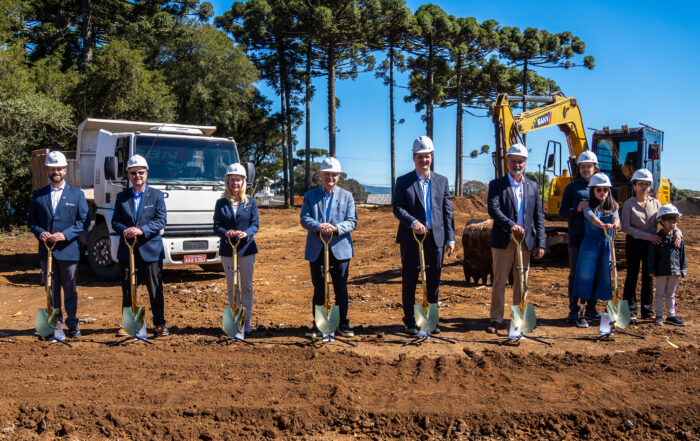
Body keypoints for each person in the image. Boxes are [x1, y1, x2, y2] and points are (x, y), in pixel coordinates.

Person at [392, 136, 455, 335]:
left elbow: (447, 212)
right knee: (410, 279)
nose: (424, 161)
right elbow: (398, 208)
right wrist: (413, 222)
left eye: (427, 157)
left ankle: (430, 318)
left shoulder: (442, 181)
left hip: (435, 239)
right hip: (412, 239)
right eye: (420, 157)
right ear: (414, 158)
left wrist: (450, 238)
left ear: (431, 157)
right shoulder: (403, 182)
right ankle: (410, 321)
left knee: (434, 280)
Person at [27, 151, 90, 338]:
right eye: (52, 168)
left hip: (68, 250)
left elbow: (84, 221)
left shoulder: (77, 195)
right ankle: (55, 323)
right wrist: (41, 233)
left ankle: (72, 323)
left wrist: (65, 235)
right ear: (47, 170)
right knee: (50, 287)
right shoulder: (38, 195)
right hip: (47, 251)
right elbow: (32, 222)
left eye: (59, 168)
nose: (56, 171)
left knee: (70, 288)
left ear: (65, 170)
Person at [485, 143, 545, 334]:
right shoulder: (497, 185)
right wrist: (511, 225)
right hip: (503, 241)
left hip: (525, 243)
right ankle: (496, 318)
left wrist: (540, 242)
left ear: (525, 163)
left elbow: (538, 217)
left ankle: (518, 316)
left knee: (522, 282)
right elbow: (493, 209)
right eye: (513, 161)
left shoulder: (533, 187)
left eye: (520, 162)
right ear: (508, 162)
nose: (517, 165)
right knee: (499, 281)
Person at [111, 155, 169, 337]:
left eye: (141, 172)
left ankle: (160, 324)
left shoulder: (157, 196)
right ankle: (129, 324)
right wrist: (125, 230)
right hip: (128, 250)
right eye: (133, 173)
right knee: (128, 288)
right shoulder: (121, 197)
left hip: (150, 249)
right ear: (128, 175)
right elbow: (115, 221)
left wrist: (141, 230)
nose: (137, 176)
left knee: (155, 289)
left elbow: (161, 220)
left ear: (146, 173)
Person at [300, 157, 358, 337]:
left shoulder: (347, 196)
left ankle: (342, 324)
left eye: (334, 175)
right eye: (327, 174)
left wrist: (336, 228)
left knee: (341, 287)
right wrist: (319, 226)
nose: (330, 178)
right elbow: (305, 218)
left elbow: (352, 221)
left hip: (340, 249)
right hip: (317, 249)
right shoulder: (310, 195)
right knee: (319, 288)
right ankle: (319, 324)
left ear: (339, 176)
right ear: (321, 175)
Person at [621, 168, 681, 323]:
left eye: (646, 184)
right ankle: (630, 312)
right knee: (632, 276)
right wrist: (648, 236)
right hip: (635, 243)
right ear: (634, 185)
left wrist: (678, 233)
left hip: (652, 246)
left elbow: (668, 221)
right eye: (640, 184)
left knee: (649, 277)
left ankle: (647, 311)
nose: (643, 187)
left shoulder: (657, 204)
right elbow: (626, 227)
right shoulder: (629, 204)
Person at [213, 163, 259, 335]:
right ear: (227, 181)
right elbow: (216, 226)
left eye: (238, 180)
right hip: (227, 249)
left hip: (246, 249)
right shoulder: (221, 203)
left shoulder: (251, 202)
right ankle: (235, 319)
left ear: (243, 182)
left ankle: (246, 321)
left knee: (246, 286)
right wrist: (226, 233)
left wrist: (245, 233)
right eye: (232, 180)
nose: (235, 184)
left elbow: (255, 225)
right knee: (232, 286)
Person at [572, 173, 620, 327]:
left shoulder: (613, 206)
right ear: (593, 190)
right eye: (599, 189)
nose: (602, 193)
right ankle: (582, 312)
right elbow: (592, 218)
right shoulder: (586, 205)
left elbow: (616, 219)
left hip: (606, 245)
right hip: (590, 246)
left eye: (605, 190)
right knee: (586, 277)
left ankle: (593, 309)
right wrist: (604, 226)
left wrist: (615, 224)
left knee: (604, 277)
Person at [559, 151, 600, 324]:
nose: (585, 169)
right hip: (577, 238)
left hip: (595, 238)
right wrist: (577, 209)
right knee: (575, 273)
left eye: (588, 166)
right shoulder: (572, 188)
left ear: (594, 168)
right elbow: (562, 213)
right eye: (582, 167)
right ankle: (573, 309)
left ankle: (591, 307)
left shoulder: (601, 187)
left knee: (595, 273)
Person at [648, 204, 686, 326]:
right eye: (669, 220)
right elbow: (652, 256)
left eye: (674, 221)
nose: (672, 223)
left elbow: (682, 255)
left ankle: (671, 316)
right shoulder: (657, 239)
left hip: (675, 271)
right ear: (662, 221)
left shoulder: (678, 239)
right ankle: (659, 315)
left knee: (671, 294)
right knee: (659, 294)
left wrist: (683, 269)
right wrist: (652, 269)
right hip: (660, 271)